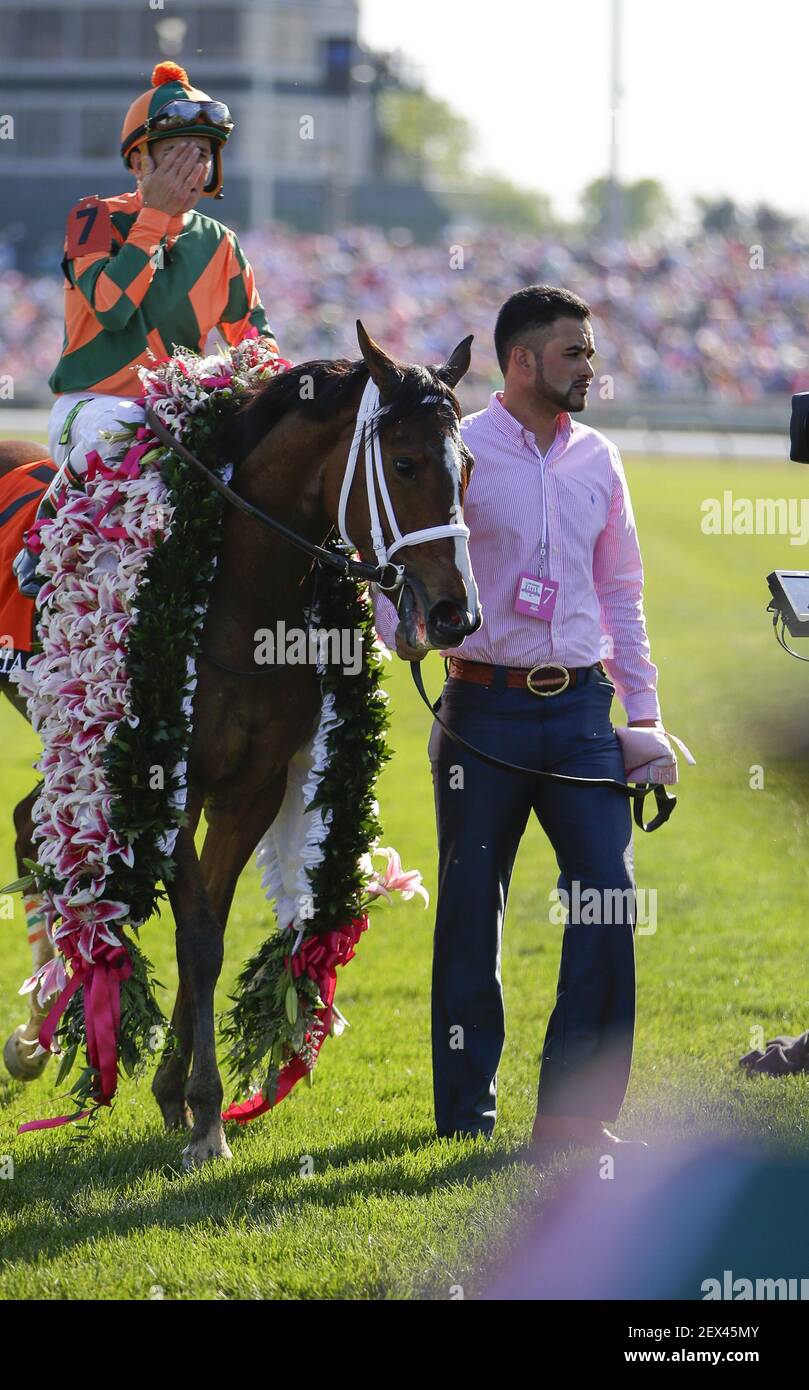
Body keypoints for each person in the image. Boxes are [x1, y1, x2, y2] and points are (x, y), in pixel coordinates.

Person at [375, 285, 682, 1159]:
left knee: (607, 901)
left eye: (588, 352)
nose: (590, 368)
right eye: (574, 354)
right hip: (481, 710)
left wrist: (646, 717)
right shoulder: (457, 451)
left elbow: (622, 594)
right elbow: (402, 566)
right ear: (520, 363)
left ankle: (573, 1116)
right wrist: (397, 629)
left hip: (585, 711)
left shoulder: (599, 460)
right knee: (471, 910)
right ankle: (464, 1113)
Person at [13, 61, 276, 594]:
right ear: (139, 159)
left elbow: (257, 344)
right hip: (91, 409)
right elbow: (112, 308)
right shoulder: (92, 218)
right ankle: (45, 538)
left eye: (202, 152)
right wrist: (154, 218)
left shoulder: (222, 244)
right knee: (132, 426)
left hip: (178, 416)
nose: (192, 164)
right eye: (178, 151)